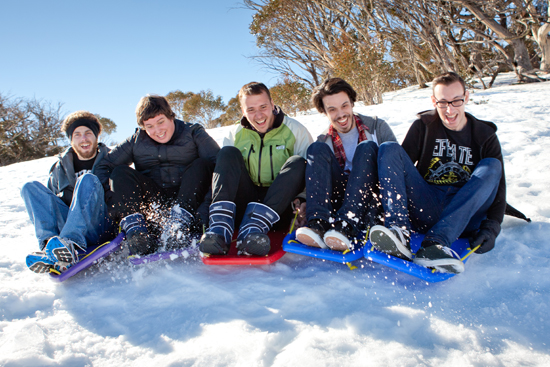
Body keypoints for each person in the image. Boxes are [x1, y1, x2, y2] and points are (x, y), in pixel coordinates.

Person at [369, 71, 505, 274]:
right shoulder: (423, 127)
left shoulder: (484, 135)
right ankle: (398, 231)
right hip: (427, 203)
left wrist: (491, 228)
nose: (449, 109)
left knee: (492, 166)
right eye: (442, 103)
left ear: (466, 97)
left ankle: (435, 244)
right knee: (389, 148)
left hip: (464, 214)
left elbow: (498, 188)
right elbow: (398, 170)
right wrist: (378, 211)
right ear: (434, 101)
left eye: (456, 101)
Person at [93, 95, 219, 255]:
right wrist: (115, 202)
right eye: (150, 126)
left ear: (171, 116)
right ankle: (138, 233)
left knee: (203, 165)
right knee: (120, 172)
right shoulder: (137, 140)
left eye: (161, 122)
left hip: (189, 202)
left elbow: (219, 166)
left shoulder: (193, 132)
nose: (157, 130)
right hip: (155, 208)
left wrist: (205, 211)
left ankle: (179, 226)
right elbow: (104, 166)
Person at [199, 82, 313, 256]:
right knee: (228, 153)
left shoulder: (294, 130)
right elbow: (223, 176)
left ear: (272, 104)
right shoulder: (235, 133)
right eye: (251, 109)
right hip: (245, 204)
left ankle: (254, 229)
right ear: (243, 111)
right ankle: (220, 228)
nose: (258, 115)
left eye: (263, 107)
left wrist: (303, 199)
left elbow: (310, 173)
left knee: (298, 162)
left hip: (278, 208)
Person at [295, 78, 397, 251]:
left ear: (352, 103)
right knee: (316, 148)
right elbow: (317, 177)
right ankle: (318, 224)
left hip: (371, 198)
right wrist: (304, 200)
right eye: (332, 109)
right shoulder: (324, 140)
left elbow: (394, 164)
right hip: (340, 199)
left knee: (367, 147)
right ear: (324, 112)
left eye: (344, 106)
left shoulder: (376, 127)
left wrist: (392, 208)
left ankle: (348, 224)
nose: (341, 114)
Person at [23, 111, 115, 273]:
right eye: (77, 135)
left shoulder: (112, 160)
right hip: (67, 225)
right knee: (30, 187)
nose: (84, 139)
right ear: (71, 139)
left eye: (88, 133)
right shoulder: (59, 168)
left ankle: (69, 243)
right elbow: (50, 205)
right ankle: (50, 246)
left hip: (99, 226)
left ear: (96, 137)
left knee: (87, 179)